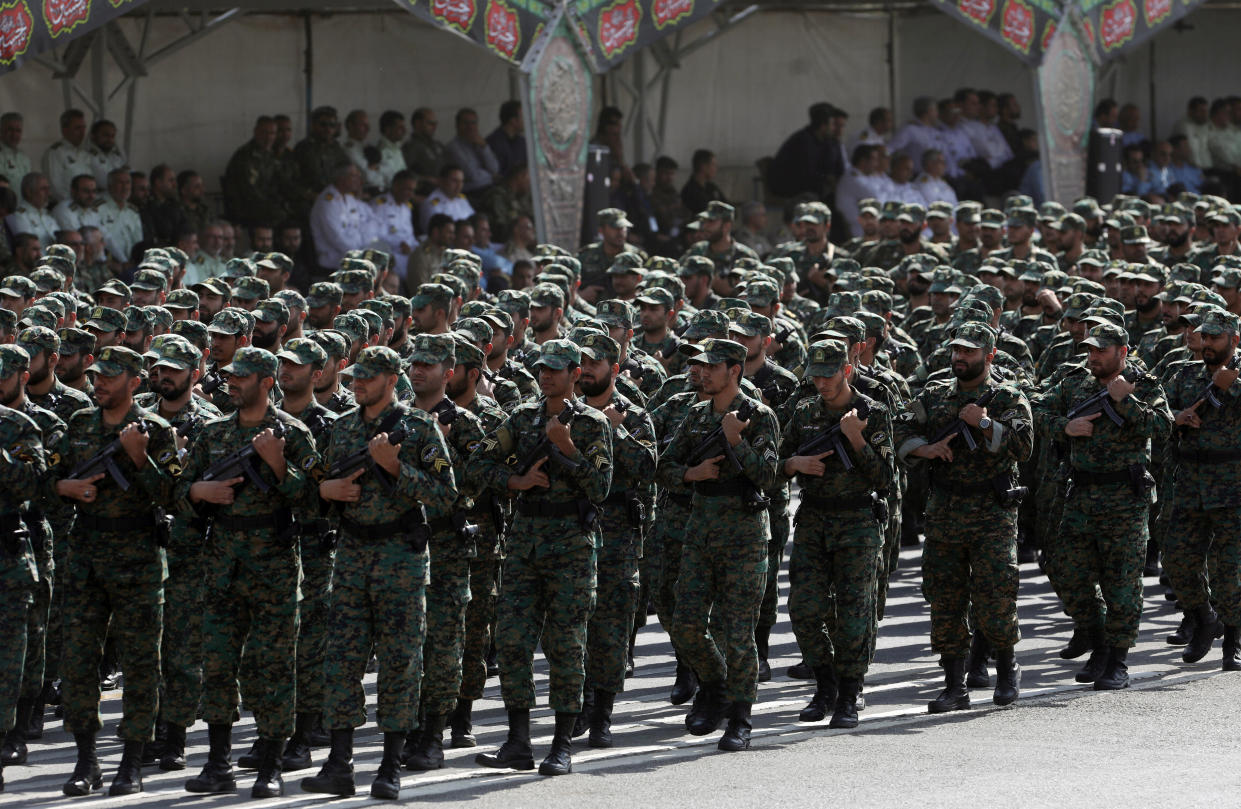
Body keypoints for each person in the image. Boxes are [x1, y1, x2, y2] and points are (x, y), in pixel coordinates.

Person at [301, 344, 456, 799]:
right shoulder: (342, 428)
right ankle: (339, 763)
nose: (358, 384)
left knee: (399, 663)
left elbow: (446, 496)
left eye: (369, 377)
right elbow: (322, 493)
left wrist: (396, 468)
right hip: (351, 555)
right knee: (342, 661)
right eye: (355, 377)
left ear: (392, 380)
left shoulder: (420, 428)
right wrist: (326, 491)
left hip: (399, 558)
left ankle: (390, 766)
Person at [179, 346, 318, 799]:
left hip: (273, 565)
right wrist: (198, 490)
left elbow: (317, 502)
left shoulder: (292, 433)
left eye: (241, 377)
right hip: (221, 563)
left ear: (265, 381)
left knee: (272, 665)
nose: (231, 383)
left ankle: (270, 765)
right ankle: (217, 762)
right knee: (218, 663)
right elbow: (177, 490)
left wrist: (278, 464)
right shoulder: (213, 433)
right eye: (229, 377)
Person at [470, 339, 612, 777]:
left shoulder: (591, 424)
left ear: (575, 373)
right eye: (542, 369)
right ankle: (518, 740)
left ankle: (562, 743)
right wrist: (515, 481)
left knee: (565, 646)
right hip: (525, 541)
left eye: (556, 369)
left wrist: (567, 450)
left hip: (570, 544)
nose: (546, 376)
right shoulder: (522, 417)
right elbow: (476, 464)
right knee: (512, 641)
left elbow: (601, 487)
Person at [53, 346, 179, 796]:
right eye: (96, 375)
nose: (99, 382)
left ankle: (131, 760)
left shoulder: (156, 431)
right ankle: (87, 759)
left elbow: (176, 496)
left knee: (142, 663)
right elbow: (50, 483)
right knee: (79, 661)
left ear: (135, 382)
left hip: (138, 560)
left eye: (110, 376)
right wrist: (64, 486)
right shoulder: (80, 425)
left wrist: (140, 457)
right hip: (86, 556)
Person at [894, 322, 1031, 712]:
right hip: (945, 511)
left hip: (992, 512)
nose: (959, 358)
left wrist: (984, 423)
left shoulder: (1007, 397)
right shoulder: (935, 395)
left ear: (988, 356)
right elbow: (900, 430)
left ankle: (1006, 671)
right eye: (956, 351)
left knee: (996, 595)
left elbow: (1024, 445)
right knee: (944, 598)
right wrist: (927, 449)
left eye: (969, 352)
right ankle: (954, 685)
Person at [657, 337, 779, 751]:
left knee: (738, 631)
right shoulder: (694, 416)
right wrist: (693, 475)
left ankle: (740, 718)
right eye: (700, 366)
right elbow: (666, 465)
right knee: (686, 623)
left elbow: (768, 476)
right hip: (701, 530)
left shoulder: (758, 416)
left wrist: (737, 441)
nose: (703, 373)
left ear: (735, 370)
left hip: (744, 534)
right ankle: (716, 684)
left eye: (712, 366)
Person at [1034, 322, 1171, 688]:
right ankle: (1096, 639)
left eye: (1101, 351)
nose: (1092, 357)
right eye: (1090, 350)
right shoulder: (1074, 384)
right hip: (1080, 496)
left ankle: (1117, 658)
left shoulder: (1145, 386)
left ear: (1122, 353)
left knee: (1122, 583)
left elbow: (1163, 427)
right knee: (1067, 571)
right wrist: (1066, 426)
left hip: (1126, 499)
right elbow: (1036, 411)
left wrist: (1126, 401)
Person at [780, 339, 892, 726]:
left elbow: (886, 476)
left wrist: (856, 438)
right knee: (804, 608)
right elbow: (776, 461)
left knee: (854, 612)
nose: (821, 382)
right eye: (815, 375)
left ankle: (849, 691)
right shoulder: (803, 411)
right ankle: (824, 684)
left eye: (829, 374)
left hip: (857, 521)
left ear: (846, 370)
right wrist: (795, 462)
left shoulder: (871, 412)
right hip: (813, 519)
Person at [399, 334, 484, 771]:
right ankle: (406, 728)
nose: (418, 371)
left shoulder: (464, 424)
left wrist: (445, 447)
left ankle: (433, 732)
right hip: (402, 546)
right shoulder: (398, 419)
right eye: (414, 362)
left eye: (429, 365)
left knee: (443, 644)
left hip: (447, 548)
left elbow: (478, 483)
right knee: (404, 643)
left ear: (448, 372)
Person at [571, 331, 656, 748]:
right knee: (571, 623)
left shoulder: (633, 413)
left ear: (614, 369)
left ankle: (602, 712)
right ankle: (578, 702)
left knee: (610, 626)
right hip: (569, 530)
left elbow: (647, 465)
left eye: (594, 364)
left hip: (617, 534)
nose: (585, 371)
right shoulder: (564, 412)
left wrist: (614, 433)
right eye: (580, 363)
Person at [1163, 308, 1241, 670]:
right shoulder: (1185, 374)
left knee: (1231, 569)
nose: (1206, 343)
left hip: (1232, 485)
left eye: (1214, 337)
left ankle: (1234, 642)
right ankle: (1205, 617)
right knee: (1178, 560)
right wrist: (1176, 418)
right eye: (1203, 337)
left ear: (1234, 340)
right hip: (1191, 482)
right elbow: (1159, 410)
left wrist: (1233, 385)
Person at [0, 352, 44, 795]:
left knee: (7, 661)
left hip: (7, 561)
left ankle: (8, 734)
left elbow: (34, 486)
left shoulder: (16, 427)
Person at [223, 116, 293, 228]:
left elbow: (282, 182)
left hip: (266, 204)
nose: (269, 137)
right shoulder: (245, 156)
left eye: (272, 133)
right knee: (281, 217)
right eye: (265, 133)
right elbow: (250, 192)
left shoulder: (270, 155)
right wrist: (275, 207)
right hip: (247, 208)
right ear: (256, 132)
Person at [768, 102, 845, 199]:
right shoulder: (803, 141)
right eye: (832, 124)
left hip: (814, 187)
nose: (834, 129)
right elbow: (806, 175)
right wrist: (827, 178)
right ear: (823, 126)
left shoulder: (829, 142)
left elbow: (838, 169)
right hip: (792, 188)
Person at [310, 163, 372, 271]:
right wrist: (360, 254)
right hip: (334, 262)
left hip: (353, 258)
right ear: (341, 178)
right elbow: (336, 237)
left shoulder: (349, 198)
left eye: (359, 176)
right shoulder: (327, 202)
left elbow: (362, 226)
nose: (358, 179)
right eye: (354, 176)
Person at [295, 106, 350, 200]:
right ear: (313, 125)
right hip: (310, 199)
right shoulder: (303, 148)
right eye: (323, 124)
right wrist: (308, 194)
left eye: (332, 125)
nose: (328, 129)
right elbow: (293, 181)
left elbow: (347, 171)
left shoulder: (336, 148)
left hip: (334, 197)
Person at [445, 108, 501, 195]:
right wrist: (491, 177)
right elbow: (472, 175)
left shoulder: (479, 142)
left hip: (489, 187)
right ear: (457, 125)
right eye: (466, 123)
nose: (470, 127)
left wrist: (484, 147)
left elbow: (494, 169)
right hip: (472, 191)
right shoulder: (453, 147)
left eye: (473, 123)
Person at [96, 169, 143, 269]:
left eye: (127, 183)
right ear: (110, 186)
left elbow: (139, 241)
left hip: (131, 264)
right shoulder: (98, 208)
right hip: (110, 264)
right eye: (120, 183)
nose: (125, 187)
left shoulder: (132, 211)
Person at [41, 109, 90, 202]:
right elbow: (54, 187)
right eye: (77, 128)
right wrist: (73, 204)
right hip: (65, 205)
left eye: (84, 128)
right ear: (64, 130)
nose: (82, 132)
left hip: (85, 206)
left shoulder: (85, 154)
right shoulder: (55, 153)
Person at [419, 164, 473, 234]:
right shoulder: (431, 204)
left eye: (461, 181)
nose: (459, 185)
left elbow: (473, 220)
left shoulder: (461, 199)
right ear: (442, 181)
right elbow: (436, 236)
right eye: (455, 181)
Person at [402, 107, 446, 192]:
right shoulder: (411, 147)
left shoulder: (438, 145)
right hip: (427, 192)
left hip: (446, 190)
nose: (434, 127)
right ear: (418, 123)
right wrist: (424, 179)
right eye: (430, 123)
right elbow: (403, 172)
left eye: (435, 123)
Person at [8, 173, 58, 246]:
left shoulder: (46, 214)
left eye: (48, 189)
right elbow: (26, 247)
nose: (49, 193)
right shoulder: (19, 216)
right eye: (43, 189)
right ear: (29, 192)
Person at [486, 100, 526, 180]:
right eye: (523, 116)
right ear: (513, 120)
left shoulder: (522, 141)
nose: (526, 120)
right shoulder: (494, 143)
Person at [680, 149, 727, 216]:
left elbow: (730, 208)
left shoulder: (712, 188)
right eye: (713, 164)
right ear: (703, 166)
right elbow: (706, 213)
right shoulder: (690, 191)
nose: (715, 168)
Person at [86, 121, 126, 188]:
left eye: (112, 136)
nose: (110, 139)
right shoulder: (86, 155)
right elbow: (102, 181)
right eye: (105, 135)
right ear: (93, 136)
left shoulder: (117, 155)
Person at [0, 112, 32, 191]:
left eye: (18, 131)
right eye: (10, 130)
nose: (14, 134)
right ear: (1, 131)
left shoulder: (24, 157)